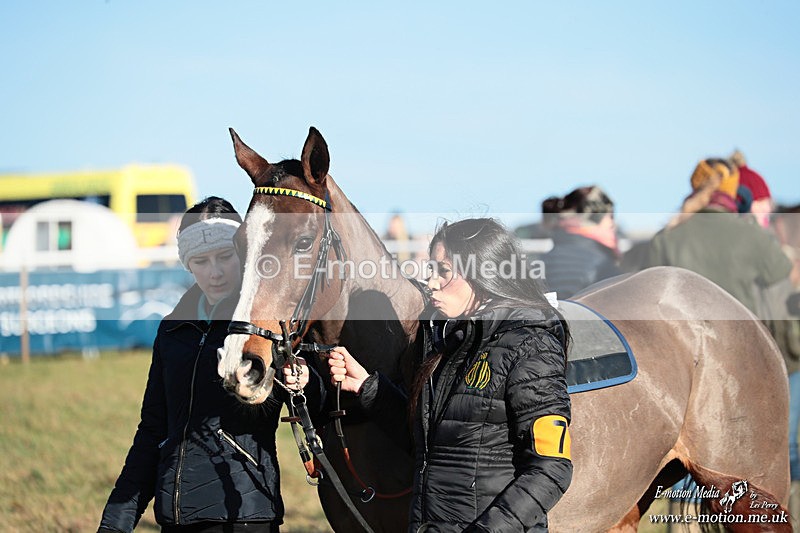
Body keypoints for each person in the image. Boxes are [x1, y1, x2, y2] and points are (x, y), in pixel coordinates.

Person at [327, 218, 573, 532]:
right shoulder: (447, 342)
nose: (430, 281)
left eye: (443, 271)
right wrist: (368, 388)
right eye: (431, 269)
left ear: (484, 273)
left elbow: (551, 470)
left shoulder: (531, 346)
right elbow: (429, 444)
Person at [99, 197, 316, 533]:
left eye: (225, 257)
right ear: (188, 265)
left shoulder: (267, 329)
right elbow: (153, 430)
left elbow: (309, 400)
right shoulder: (172, 329)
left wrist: (301, 379)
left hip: (244, 512)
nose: (214, 272)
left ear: (243, 256)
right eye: (201, 260)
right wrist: (117, 521)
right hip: (175, 515)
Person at [641, 157, 793, 314]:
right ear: (733, 189)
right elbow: (780, 271)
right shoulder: (752, 234)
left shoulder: (665, 238)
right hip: (742, 334)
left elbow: (648, 293)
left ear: (695, 185)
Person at [540, 185, 622, 298]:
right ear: (593, 220)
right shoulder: (601, 265)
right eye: (611, 217)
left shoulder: (542, 262)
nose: (613, 226)